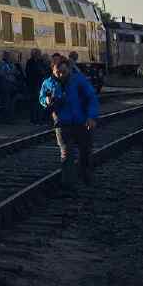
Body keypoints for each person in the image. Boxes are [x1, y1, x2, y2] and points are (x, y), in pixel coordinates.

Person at [39, 54, 99, 189]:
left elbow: (91, 98)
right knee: (66, 154)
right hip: (62, 124)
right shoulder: (48, 83)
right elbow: (41, 97)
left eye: (63, 72)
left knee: (85, 152)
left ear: (68, 69)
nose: (61, 75)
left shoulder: (79, 81)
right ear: (53, 70)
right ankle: (68, 184)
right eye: (58, 72)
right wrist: (45, 101)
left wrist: (91, 116)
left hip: (82, 123)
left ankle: (86, 177)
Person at [24, 48, 47, 124]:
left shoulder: (40, 62)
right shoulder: (30, 62)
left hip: (40, 84)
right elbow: (29, 73)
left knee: (39, 102)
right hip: (33, 84)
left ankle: (39, 118)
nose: (39, 55)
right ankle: (33, 119)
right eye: (38, 54)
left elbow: (44, 71)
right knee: (34, 102)